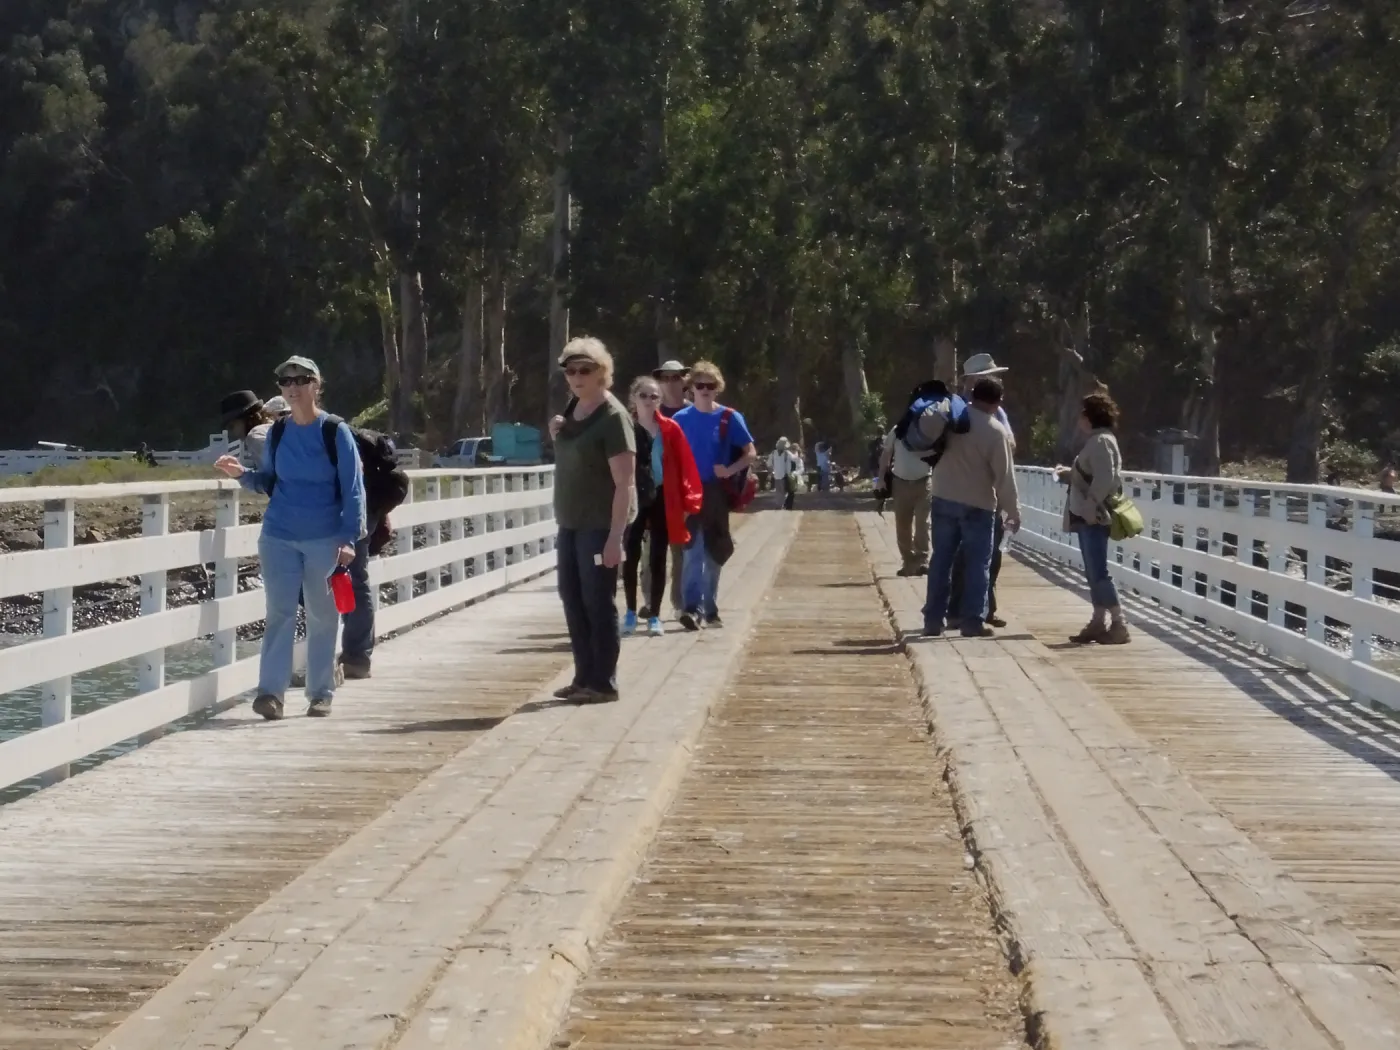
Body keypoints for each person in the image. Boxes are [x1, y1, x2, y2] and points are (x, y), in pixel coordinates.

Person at [214, 356, 366, 720]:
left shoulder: (335, 431)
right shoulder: (279, 432)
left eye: (302, 381)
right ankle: (270, 694)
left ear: (316, 385)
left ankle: (320, 693)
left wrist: (348, 538)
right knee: (279, 613)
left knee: (322, 615)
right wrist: (241, 475)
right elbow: (269, 481)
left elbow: (354, 490)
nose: (293, 388)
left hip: (324, 537)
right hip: (278, 534)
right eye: (286, 383)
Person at [547, 338, 636, 701]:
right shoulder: (573, 409)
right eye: (570, 371)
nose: (577, 377)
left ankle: (604, 682)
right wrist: (557, 430)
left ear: (603, 373)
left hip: (599, 525)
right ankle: (583, 676)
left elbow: (625, 483)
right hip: (569, 522)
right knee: (572, 597)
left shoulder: (614, 418)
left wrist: (616, 537)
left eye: (585, 370)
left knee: (598, 601)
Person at [923, 377, 1020, 638]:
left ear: (973, 395)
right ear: (998, 402)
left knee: (941, 560)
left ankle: (933, 619)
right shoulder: (995, 430)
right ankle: (972, 622)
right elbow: (1004, 477)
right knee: (978, 564)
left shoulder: (950, 420)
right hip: (978, 505)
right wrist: (1013, 510)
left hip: (943, 497)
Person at [673, 360, 758, 631]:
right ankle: (691, 608)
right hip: (689, 492)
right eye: (700, 385)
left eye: (711, 385)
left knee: (715, 552)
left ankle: (710, 608)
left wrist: (729, 469)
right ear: (691, 388)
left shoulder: (730, 417)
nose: (705, 389)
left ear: (718, 388)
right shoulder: (680, 420)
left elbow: (750, 452)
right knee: (691, 552)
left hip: (716, 493)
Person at [622, 375, 702, 636]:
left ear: (660, 400)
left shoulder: (670, 428)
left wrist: (690, 501)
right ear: (634, 398)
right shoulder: (624, 427)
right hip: (631, 497)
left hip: (663, 497)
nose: (648, 400)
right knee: (631, 556)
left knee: (659, 556)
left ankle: (654, 616)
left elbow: (687, 465)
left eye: (654, 396)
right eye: (643, 395)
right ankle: (631, 612)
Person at [1055, 391, 1129, 645]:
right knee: (1092, 569)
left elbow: (1106, 478)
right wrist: (1070, 473)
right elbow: (1095, 473)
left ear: (1089, 417)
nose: (1079, 419)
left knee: (1098, 571)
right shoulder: (1100, 441)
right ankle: (1099, 620)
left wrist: (1090, 504)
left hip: (1094, 516)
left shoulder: (1101, 442)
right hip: (1088, 513)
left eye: (1082, 414)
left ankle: (1119, 622)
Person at [949, 353, 1014, 626]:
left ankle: (984, 609)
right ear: (974, 380)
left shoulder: (996, 409)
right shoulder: (955, 409)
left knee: (989, 554)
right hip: (960, 491)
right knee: (960, 554)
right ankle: (957, 611)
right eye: (990, 375)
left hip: (986, 492)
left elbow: (1010, 443)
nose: (995, 379)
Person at [879, 420, 931, 576]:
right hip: (900, 483)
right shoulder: (897, 430)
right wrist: (881, 478)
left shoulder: (930, 428)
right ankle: (907, 561)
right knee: (903, 524)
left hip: (924, 482)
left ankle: (922, 560)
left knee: (923, 523)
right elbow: (886, 454)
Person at [219, 390, 275, 469]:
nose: (233, 433)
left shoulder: (255, 436)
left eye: (232, 426)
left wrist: (241, 474)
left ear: (246, 420)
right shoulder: (274, 427)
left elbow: (274, 474)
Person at [769, 437, 800, 511]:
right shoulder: (787, 453)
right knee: (784, 491)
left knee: (779, 491)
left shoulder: (773, 453)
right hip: (785, 475)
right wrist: (796, 451)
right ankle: (782, 505)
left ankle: (779, 505)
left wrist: (771, 472)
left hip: (777, 475)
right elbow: (795, 458)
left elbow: (769, 464)